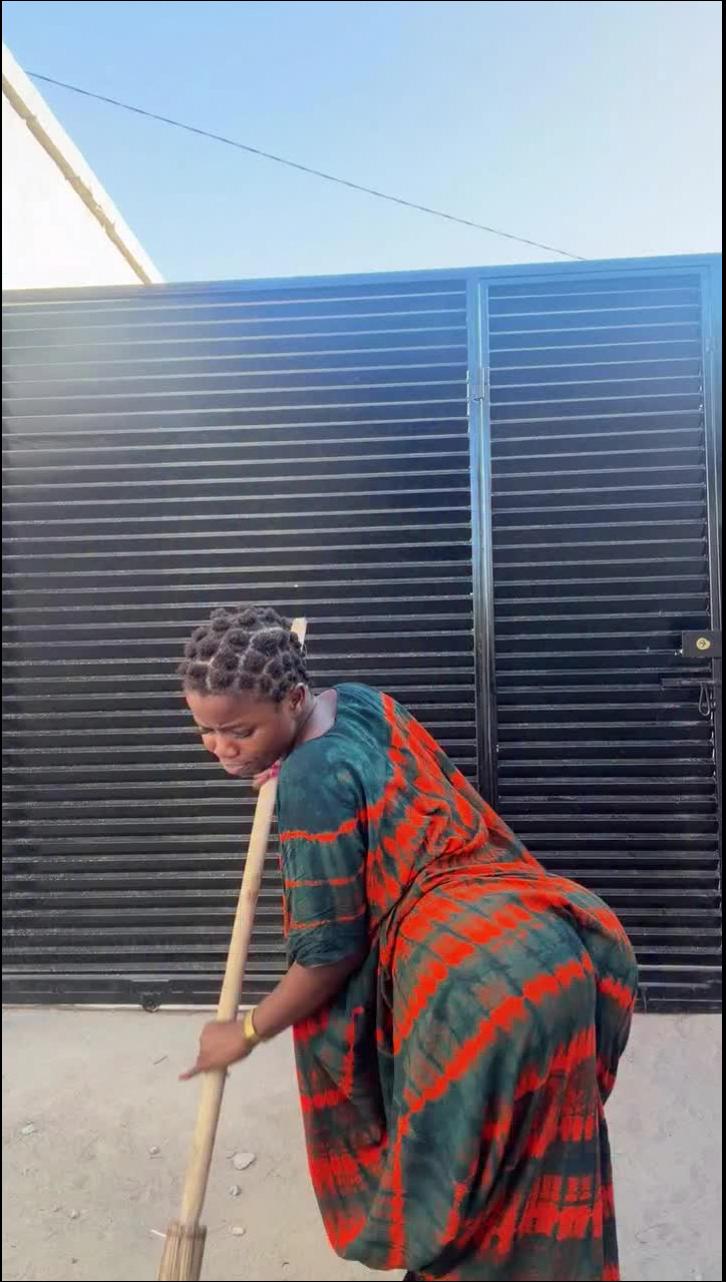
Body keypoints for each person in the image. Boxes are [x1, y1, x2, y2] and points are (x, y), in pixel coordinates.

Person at [179, 605, 637, 1282]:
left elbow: (329, 956)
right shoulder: (361, 703)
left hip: (476, 996)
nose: (223, 749)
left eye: (240, 730)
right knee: (540, 1184)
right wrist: (280, 755)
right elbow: (374, 783)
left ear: (294, 698)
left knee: (466, 1209)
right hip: (552, 949)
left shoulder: (311, 781)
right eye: (206, 733)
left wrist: (246, 1030)